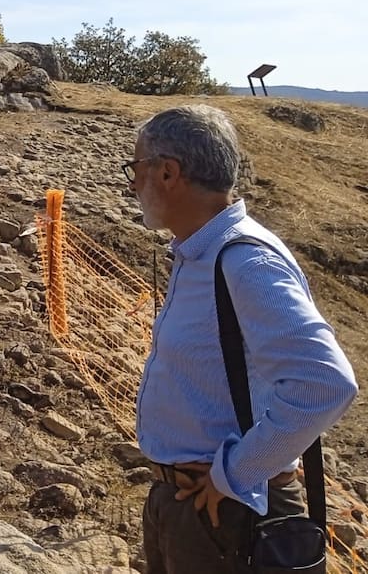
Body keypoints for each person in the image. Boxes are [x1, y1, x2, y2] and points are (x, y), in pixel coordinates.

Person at [128, 105, 358, 573]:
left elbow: (325, 383)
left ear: (168, 173)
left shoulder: (245, 263)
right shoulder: (203, 251)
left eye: (136, 169)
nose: (133, 184)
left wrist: (233, 476)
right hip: (197, 505)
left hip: (227, 513)